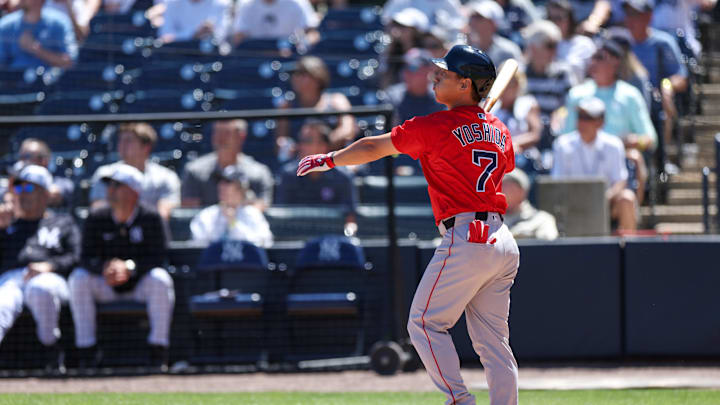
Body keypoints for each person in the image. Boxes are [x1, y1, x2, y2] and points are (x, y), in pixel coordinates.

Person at [298, 44, 520, 405]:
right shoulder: (500, 130)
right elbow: (501, 166)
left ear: (466, 85)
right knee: (494, 342)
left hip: (466, 236)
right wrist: (479, 129)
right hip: (501, 240)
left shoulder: (435, 125)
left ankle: (459, 400)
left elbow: (373, 147)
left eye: (445, 74)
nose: (435, 75)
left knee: (424, 324)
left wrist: (331, 158)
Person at [69, 163, 174, 371]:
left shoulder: (151, 217)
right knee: (78, 278)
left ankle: (158, 352)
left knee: (161, 279)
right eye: (110, 186)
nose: (111, 191)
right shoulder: (97, 217)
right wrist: (104, 268)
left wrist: (130, 268)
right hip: (105, 284)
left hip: (139, 286)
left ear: (134, 191)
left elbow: (159, 256)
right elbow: (84, 256)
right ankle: (86, 352)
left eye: (117, 186)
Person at [0, 165, 80, 374]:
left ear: (45, 194)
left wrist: (51, 266)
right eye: (19, 189)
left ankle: (51, 351)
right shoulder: (8, 223)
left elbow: (76, 256)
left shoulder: (63, 222)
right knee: (2, 302)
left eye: (29, 189)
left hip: (50, 278)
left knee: (41, 289)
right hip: (12, 280)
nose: (22, 195)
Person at [561, 39, 655, 203]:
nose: (594, 62)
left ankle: (632, 215)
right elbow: (566, 134)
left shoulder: (630, 95)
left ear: (615, 62)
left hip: (618, 156)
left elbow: (650, 139)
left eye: (601, 57)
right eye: (593, 57)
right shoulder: (577, 94)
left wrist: (632, 142)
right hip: (581, 153)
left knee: (635, 158)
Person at [552, 97, 637, 232]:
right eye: (580, 117)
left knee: (627, 198)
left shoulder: (614, 145)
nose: (582, 122)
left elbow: (620, 181)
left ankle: (628, 249)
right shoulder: (562, 144)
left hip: (606, 203)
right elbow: (557, 182)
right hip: (573, 204)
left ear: (600, 122)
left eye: (588, 118)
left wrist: (603, 198)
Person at [276, 121, 358, 234]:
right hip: (296, 237)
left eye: (308, 141)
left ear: (323, 146)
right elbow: (281, 215)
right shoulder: (288, 174)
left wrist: (348, 235)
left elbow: (350, 219)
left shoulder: (343, 177)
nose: (301, 146)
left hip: (332, 237)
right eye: (301, 141)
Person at [89, 123, 181, 222]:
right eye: (121, 140)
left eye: (128, 141)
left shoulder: (166, 177)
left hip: (148, 233)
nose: (122, 145)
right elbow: (98, 212)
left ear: (146, 147)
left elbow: (162, 215)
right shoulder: (104, 174)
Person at [181, 119, 274, 210]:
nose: (220, 138)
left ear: (241, 136)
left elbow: (261, 208)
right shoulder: (194, 170)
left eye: (227, 132)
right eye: (217, 132)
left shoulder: (259, 173)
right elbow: (189, 211)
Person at [275, 56, 357, 153]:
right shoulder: (286, 106)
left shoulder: (337, 100)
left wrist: (320, 146)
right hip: (300, 162)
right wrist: (293, 147)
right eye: (295, 74)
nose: (296, 78)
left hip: (335, 158)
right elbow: (280, 140)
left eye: (302, 74)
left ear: (317, 78)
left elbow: (348, 130)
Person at [521, 20, 578, 153]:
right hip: (525, 135)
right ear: (533, 48)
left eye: (556, 45)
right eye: (549, 46)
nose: (554, 51)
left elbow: (571, 103)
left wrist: (560, 114)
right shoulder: (520, 74)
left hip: (555, 136)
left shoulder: (563, 73)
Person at [190, 165, 273, 247]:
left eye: (228, 182)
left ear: (241, 189)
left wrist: (233, 223)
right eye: (220, 182)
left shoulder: (252, 214)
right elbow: (197, 245)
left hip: (246, 260)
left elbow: (264, 244)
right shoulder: (207, 215)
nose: (222, 186)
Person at [0, 0, 77, 68]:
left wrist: (37, 50)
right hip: (13, 81)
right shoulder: (6, 25)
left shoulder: (60, 23)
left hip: (49, 81)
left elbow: (70, 61)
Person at [386, 47, 445, 126]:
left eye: (413, 68)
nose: (406, 72)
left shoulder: (442, 98)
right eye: (405, 67)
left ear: (429, 71)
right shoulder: (392, 97)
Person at [11, 138, 74, 207]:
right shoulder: (14, 181)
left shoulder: (62, 183)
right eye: (21, 157)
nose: (23, 161)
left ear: (43, 160)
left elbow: (56, 194)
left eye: (27, 156)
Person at [546, 0, 596, 81]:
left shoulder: (584, 44)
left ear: (570, 19)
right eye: (550, 18)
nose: (555, 22)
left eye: (559, 18)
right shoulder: (541, 44)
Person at [465, 0, 524, 68]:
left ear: (493, 24)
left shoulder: (509, 51)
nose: (473, 21)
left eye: (479, 17)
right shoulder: (461, 48)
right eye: (472, 16)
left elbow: (518, 76)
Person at [502, 169, 559, 240]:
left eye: (509, 188)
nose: (504, 192)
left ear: (522, 192)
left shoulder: (542, 219)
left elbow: (549, 244)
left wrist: (527, 237)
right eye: (501, 187)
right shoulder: (489, 220)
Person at [231, 0, 319, 44]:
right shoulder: (245, 4)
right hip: (255, 57)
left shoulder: (298, 3)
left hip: (290, 57)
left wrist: (300, 44)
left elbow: (312, 33)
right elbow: (238, 37)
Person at [158, 0, 231, 44]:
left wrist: (211, 32)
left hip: (211, 57)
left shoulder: (221, 3)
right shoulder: (172, 3)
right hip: (177, 56)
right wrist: (193, 34)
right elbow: (165, 36)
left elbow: (223, 36)